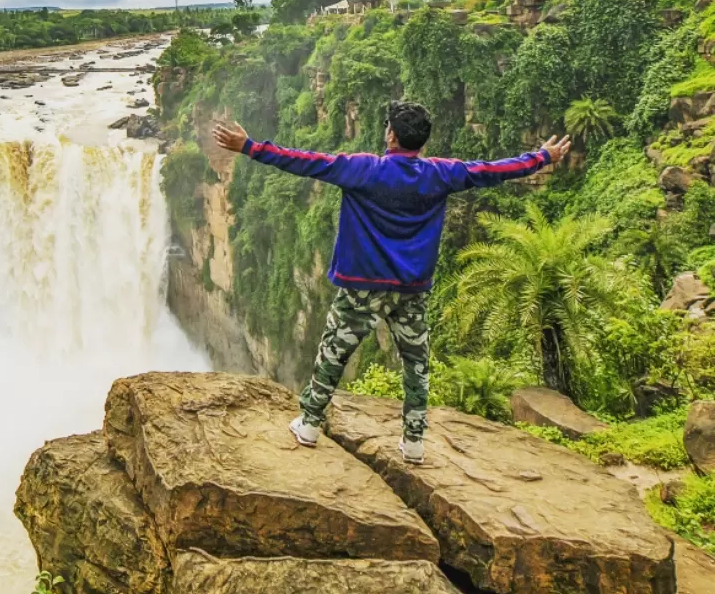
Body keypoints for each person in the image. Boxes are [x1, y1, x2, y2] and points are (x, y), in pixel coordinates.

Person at [213, 101, 570, 464]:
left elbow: (304, 161)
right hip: (411, 287)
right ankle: (413, 443)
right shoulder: (440, 174)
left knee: (334, 353)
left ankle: (309, 424)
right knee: (416, 363)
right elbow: (492, 170)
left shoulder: (362, 169)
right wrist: (542, 157)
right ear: (422, 142)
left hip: (361, 285)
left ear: (391, 135)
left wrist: (249, 146)